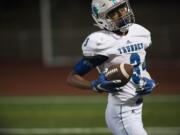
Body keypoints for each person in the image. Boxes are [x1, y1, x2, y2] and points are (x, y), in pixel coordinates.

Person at [67, 0, 156, 135]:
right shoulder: (101, 42)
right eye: (114, 12)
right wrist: (94, 85)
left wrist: (148, 80)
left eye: (123, 8)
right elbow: (72, 78)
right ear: (102, 18)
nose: (122, 14)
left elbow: (139, 65)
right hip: (122, 112)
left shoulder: (140, 32)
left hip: (137, 107)